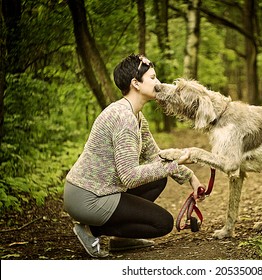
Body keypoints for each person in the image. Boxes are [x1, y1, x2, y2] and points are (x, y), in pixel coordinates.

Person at [63, 53, 202, 258]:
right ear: (135, 83)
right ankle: (91, 231)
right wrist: (175, 164)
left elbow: (157, 157)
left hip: (102, 190)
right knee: (162, 224)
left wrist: (190, 177)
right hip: (88, 197)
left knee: (158, 179)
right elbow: (129, 176)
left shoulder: (136, 115)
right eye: (153, 78)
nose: (159, 83)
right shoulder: (123, 118)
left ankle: (122, 240)